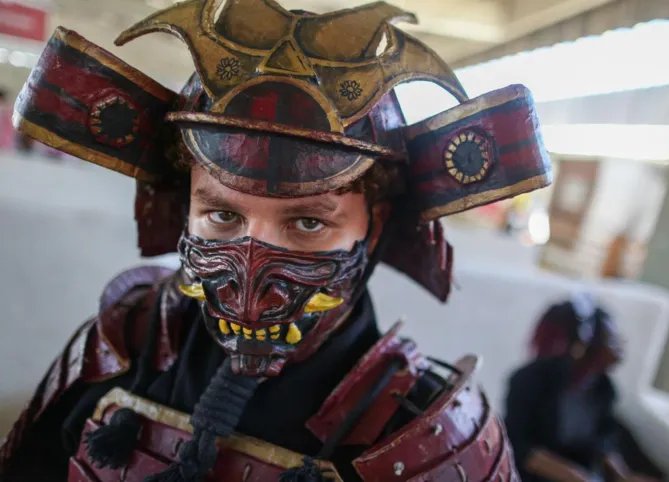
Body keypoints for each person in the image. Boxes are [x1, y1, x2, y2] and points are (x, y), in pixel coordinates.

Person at [1, 1, 552, 480]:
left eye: (307, 223)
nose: (249, 271)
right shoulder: (124, 339)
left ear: (374, 227)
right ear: (187, 208)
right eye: (221, 214)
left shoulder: (431, 435)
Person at [504, 293, 660, 482]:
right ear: (583, 343)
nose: (619, 346)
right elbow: (521, 449)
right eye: (611, 339)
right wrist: (580, 478)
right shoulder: (529, 380)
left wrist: (624, 477)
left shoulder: (602, 386)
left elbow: (603, 440)